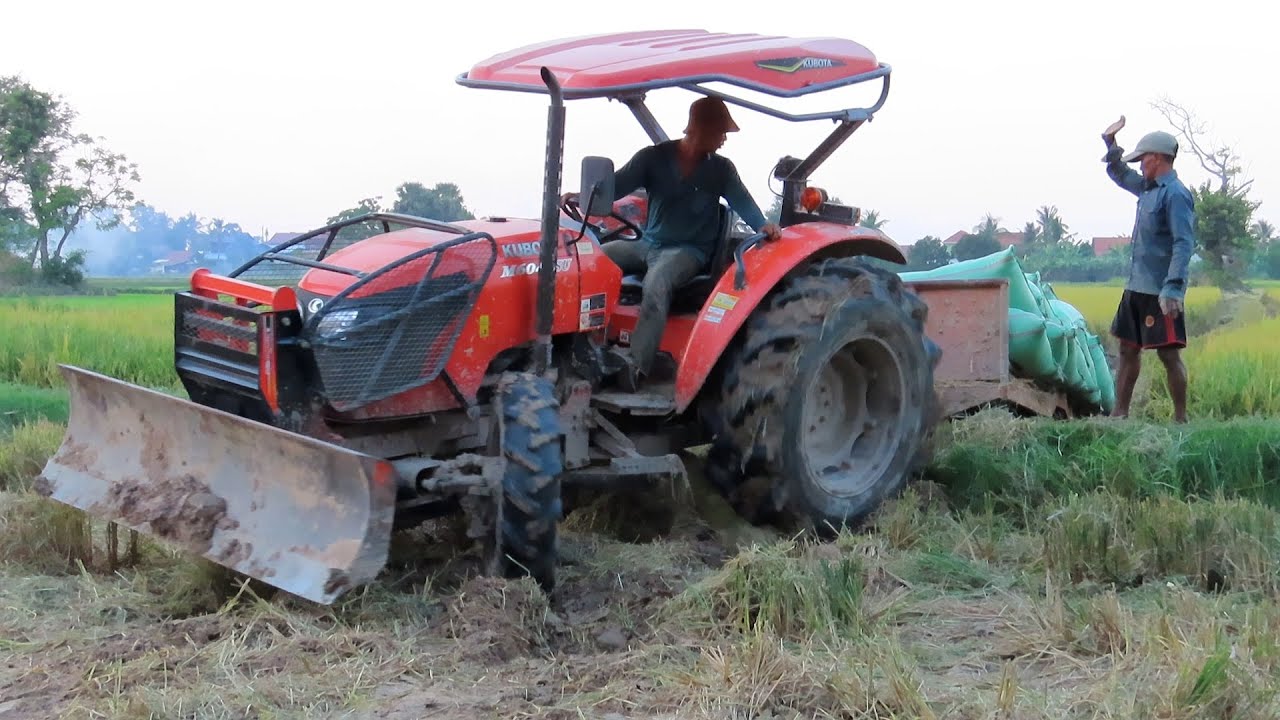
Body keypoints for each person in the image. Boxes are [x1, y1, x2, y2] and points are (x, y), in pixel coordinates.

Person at [567, 96, 782, 390]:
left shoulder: (721, 169)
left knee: (656, 283)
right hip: (647, 244)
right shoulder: (652, 158)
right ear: (700, 128)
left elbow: (742, 200)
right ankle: (578, 347)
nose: (724, 139)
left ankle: (635, 368)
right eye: (721, 132)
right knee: (591, 260)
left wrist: (763, 225)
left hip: (688, 251)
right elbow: (615, 187)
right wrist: (582, 197)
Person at [1100, 115, 1196, 422]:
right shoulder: (1146, 188)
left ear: (1157, 158)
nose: (1140, 166)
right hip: (1136, 286)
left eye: (1143, 159)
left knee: (1168, 354)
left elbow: (1183, 243)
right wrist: (1110, 143)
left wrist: (1173, 287)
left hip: (1160, 290)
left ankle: (1180, 419)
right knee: (1127, 350)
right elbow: (1119, 173)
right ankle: (1119, 414)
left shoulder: (1176, 194)